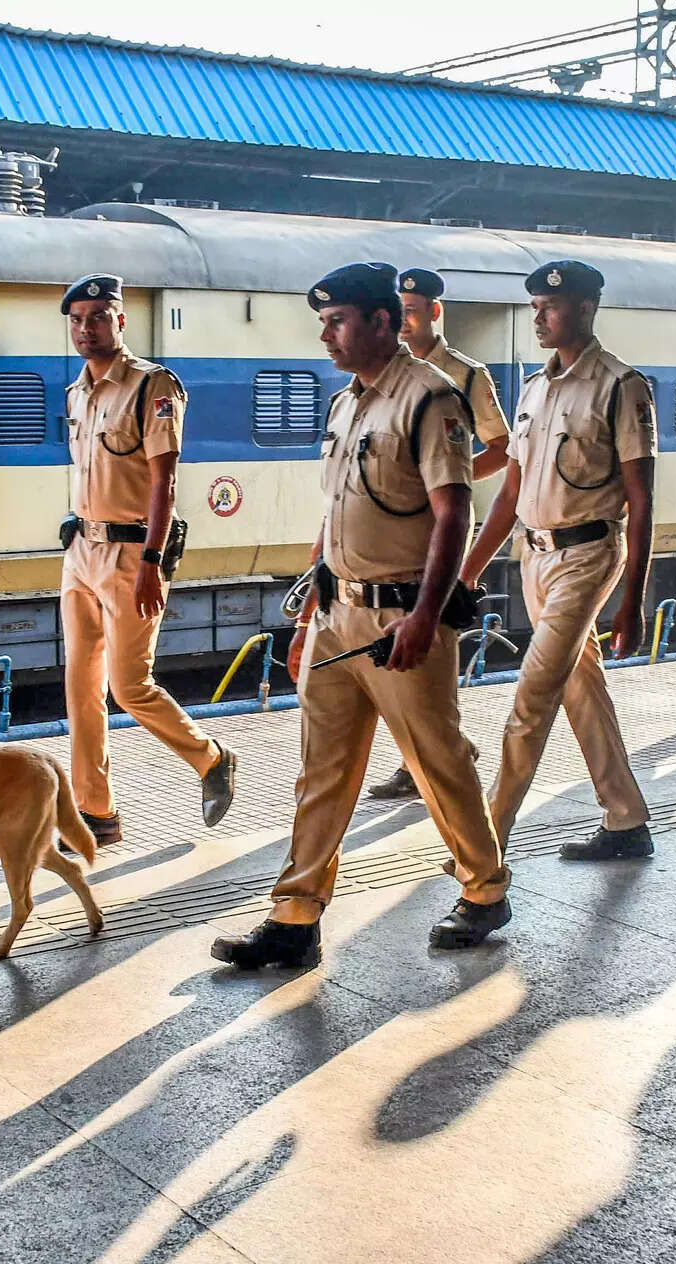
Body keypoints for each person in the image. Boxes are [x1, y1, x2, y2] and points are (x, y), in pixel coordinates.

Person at [211, 263, 508, 969]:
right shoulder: (347, 404)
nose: (325, 335)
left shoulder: (430, 399)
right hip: (336, 616)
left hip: (400, 619)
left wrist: (425, 616)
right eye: (323, 322)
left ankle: (486, 888)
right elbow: (337, 508)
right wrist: (309, 603)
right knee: (321, 771)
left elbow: (453, 514)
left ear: (383, 322)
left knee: (437, 764)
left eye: (337, 320)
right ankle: (294, 916)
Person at [460, 259, 655, 860]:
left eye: (550, 306)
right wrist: (465, 573)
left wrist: (633, 603)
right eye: (535, 308)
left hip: (590, 554)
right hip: (535, 557)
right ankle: (627, 820)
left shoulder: (622, 386)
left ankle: (486, 839)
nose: (538, 317)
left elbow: (643, 500)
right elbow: (511, 495)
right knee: (580, 686)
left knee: (532, 697)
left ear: (586, 309)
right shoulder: (535, 388)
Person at [57, 273, 237, 846]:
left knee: (129, 686)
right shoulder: (77, 392)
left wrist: (153, 564)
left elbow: (166, 482)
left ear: (121, 320)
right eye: (78, 319)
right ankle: (96, 811)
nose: (87, 329)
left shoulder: (151, 386)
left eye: (99, 317)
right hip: (81, 551)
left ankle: (210, 758)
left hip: (133, 552)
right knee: (79, 686)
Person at [366, 266, 510, 803]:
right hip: (385, 531)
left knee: (426, 647)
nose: (404, 321)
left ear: (434, 312)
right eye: (397, 310)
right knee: (389, 650)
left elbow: (502, 447)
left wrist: (446, 479)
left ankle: (437, 755)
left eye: (412, 310)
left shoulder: (466, 375)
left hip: (436, 530)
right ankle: (436, 750)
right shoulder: (378, 371)